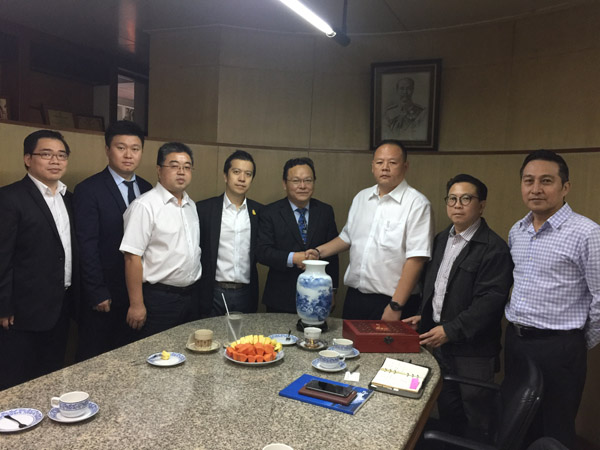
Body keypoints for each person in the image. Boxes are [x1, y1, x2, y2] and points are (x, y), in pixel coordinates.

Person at [404, 174, 513, 439]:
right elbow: (437, 288)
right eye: (452, 199)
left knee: (476, 416)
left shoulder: (494, 248)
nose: (457, 205)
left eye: (466, 199)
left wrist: (450, 330)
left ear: (481, 205)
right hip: (440, 344)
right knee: (447, 411)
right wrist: (425, 315)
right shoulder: (442, 239)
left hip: (473, 351)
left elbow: (489, 304)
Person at [505, 150, 600, 448]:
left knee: (554, 430)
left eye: (546, 181)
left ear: (565, 187)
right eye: (528, 181)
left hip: (560, 347)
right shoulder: (517, 231)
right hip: (517, 341)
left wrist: (576, 341)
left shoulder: (587, 233)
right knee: (515, 424)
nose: (536, 189)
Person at [309, 139, 433, 320]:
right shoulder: (362, 197)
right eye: (380, 162)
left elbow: (416, 259)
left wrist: (396, 305)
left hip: (393, 301)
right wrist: (318, 252)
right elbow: (347, 237)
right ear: (372, 166)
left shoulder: (417, 204)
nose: (385, 168)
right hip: (356, 298)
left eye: (392, 162)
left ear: (405, 166)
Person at [0, 130, 78, 390]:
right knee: (18, 381)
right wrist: (3, 306)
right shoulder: (9, 198)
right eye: (46, 154)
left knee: (51, 376)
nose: (55, 161)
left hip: (61, 304)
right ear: (27, 159)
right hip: (22, 311)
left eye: (61, 155)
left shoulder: (69, 198)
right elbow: (2, 256)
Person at [73, 120, 152, 360]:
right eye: (121, 147)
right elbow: (86, 246)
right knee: (96, 360)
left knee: (132, 358)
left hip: (138, 292)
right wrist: (97, 291)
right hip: (105, 294)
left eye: (135, 149)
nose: (128, 155)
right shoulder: (89, 189)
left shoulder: (147, 188)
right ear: (108, 149)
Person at [119, 142, 201, 338]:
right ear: (159, 170)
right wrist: (137, 304)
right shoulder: (145, 206)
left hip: (191, 296)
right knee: (158, 352)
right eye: (174, 166)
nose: (181, 172)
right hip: (159, 299)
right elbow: (131, 258)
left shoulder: (191, 205)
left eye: (187, 167)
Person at [257, 157, 339, 313]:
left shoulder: (325, 211)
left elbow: (333, 254)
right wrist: (294, 258)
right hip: (280, 297)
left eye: (308, 180)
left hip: (318, 296)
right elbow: (263, 252)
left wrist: (333, 290)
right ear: (284, 184)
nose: (302, 186)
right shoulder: (270, 212)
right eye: (296, 181)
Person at [196, 150, 263, 316]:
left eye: (248, 174)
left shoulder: (260, 212)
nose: (242, 178)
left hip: (246, 292)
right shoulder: (204, 209)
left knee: (245, 333)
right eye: (236, 172)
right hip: (213, 291)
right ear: (225, 176)